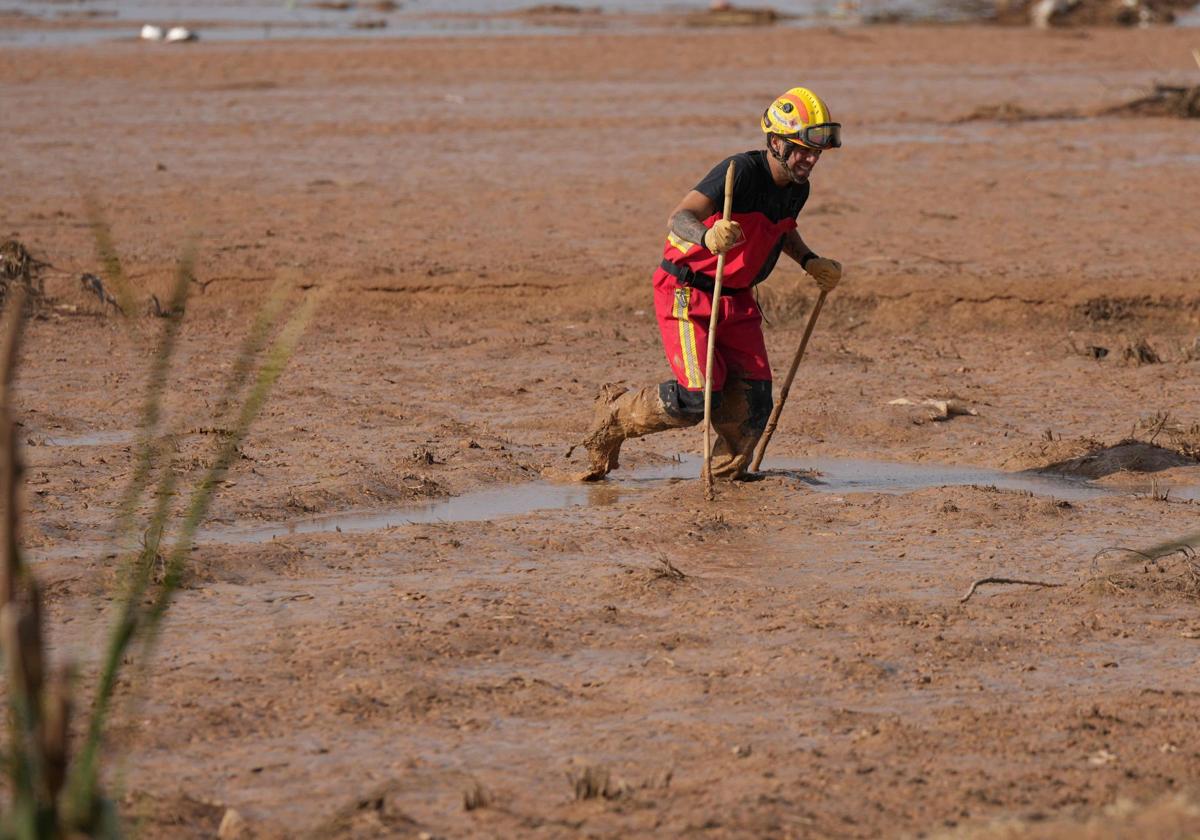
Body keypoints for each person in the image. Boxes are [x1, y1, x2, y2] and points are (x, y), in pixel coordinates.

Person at [573, 86, 844, 482]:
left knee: (755, 401)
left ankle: (723, 477)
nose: (810, 158)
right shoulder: (740, 171)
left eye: (815, 151)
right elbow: (679, 217)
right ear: (775, 143)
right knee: (700, 397)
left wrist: (809, 260)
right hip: (688, 291)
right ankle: (616, 416)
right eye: (801, 148)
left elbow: (782, 230)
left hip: (737, 298)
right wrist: (707, 236)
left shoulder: (798, 188)